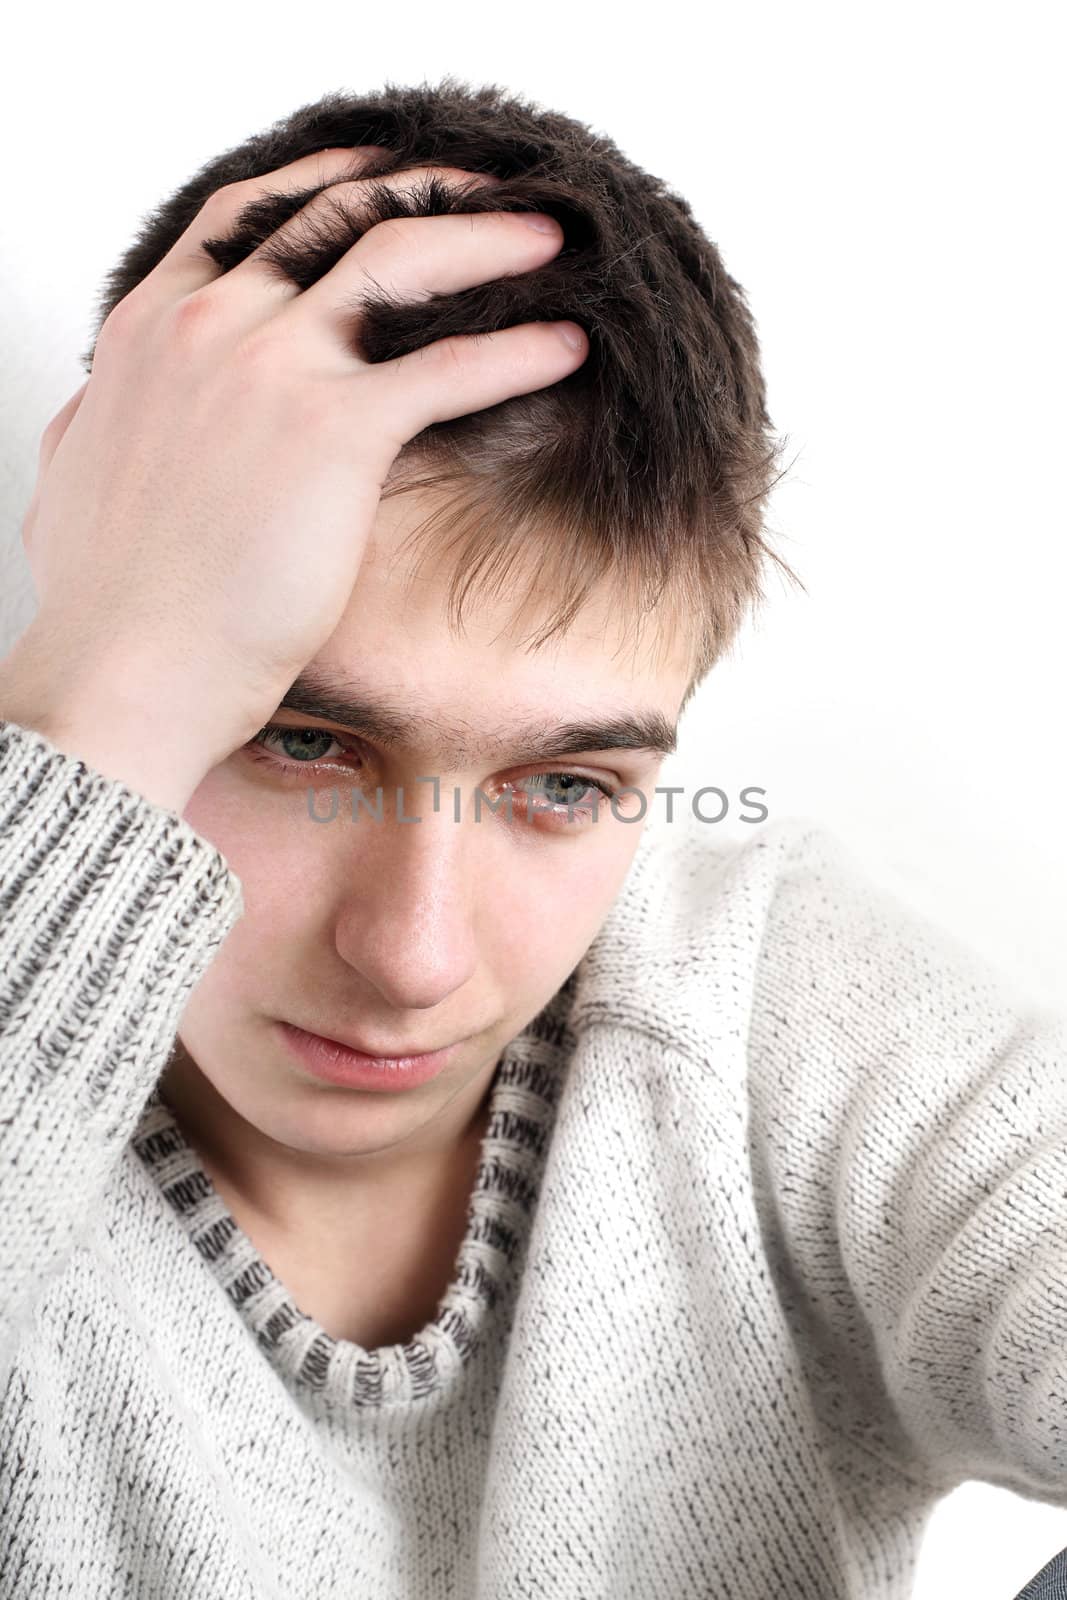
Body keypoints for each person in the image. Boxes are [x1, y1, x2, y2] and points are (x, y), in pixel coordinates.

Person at [1, 78, 1065, 1600]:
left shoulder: (758, 1011)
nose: (415, 955)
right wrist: (107, 685)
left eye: (565, 787)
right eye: (300, 740)